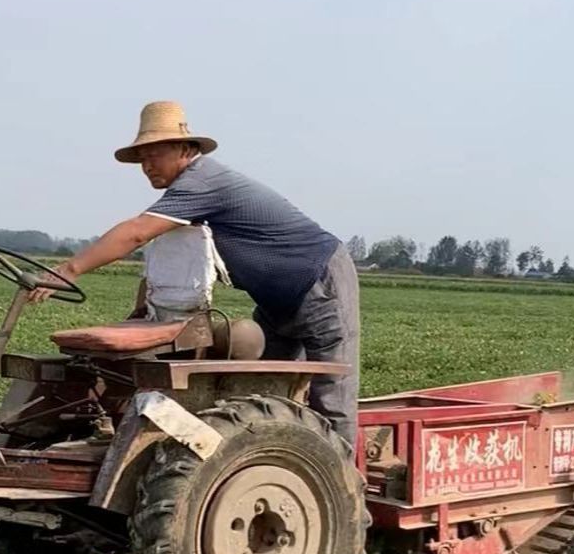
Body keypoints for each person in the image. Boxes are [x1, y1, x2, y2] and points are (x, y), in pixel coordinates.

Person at [31, 100, 361, 450]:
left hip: (319, 281)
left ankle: (343, 491)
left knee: (331, 395)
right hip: (274, 300)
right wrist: (143, 310)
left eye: (153, 155)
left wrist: (67, 270)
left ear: (185, 149)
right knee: (266, 396)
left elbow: (138, 232)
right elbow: (174, 257)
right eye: (141, 159)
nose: (146, 166)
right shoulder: (187, 198)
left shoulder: (203, 182)